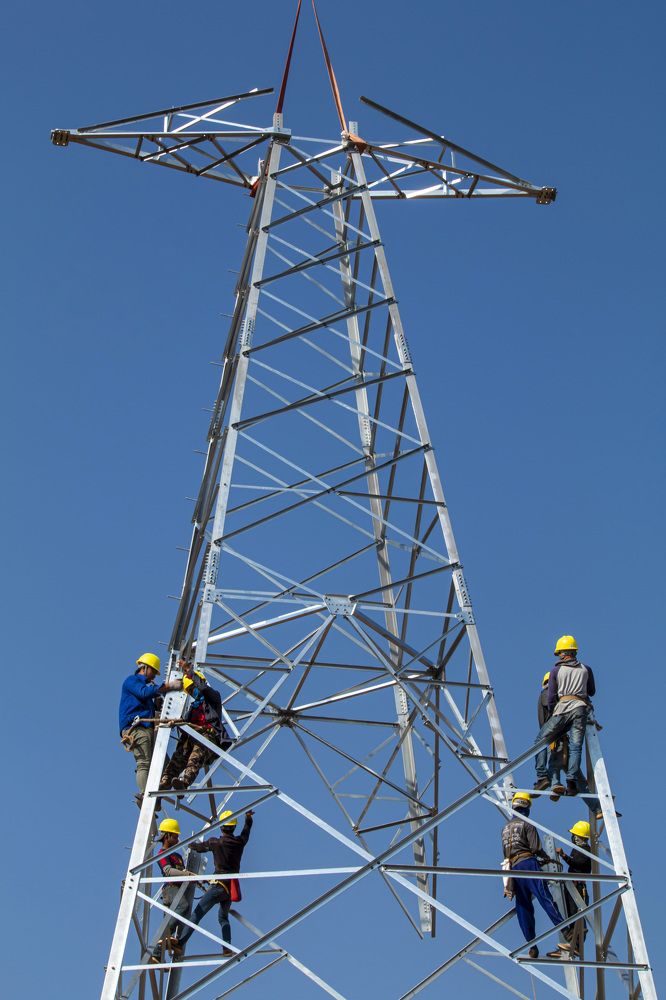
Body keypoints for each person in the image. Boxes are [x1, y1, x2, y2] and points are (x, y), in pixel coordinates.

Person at [502, 792, 572, 959]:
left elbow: (506, 853)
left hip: (513, 869)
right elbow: (534, 848)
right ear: (526, 806)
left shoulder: (505, 829)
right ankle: (565, 929)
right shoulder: (527, 824)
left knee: (523, 907)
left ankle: (531, 945)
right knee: (545, 897)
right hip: (528, 864)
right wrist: (545, 858)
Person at [178, 809, 254, 955]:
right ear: (233, 827)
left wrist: (189, 844)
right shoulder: (239, 843)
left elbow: (199, 848)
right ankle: (227, 947)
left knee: (197, 913)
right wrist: (248, 818)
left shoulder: (215, 842)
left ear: (221, 827)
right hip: (229, 889)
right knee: (223, 917)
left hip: (219, 886)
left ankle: (180, 943)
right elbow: (246, 833)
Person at [533, 635, 597, 800]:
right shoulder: (586, 669)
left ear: (563, 653)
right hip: (580, 710)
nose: (559, 656)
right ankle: (571, 780)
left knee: (540, 741)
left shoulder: (556, 671)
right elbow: (591, 691)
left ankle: (542, 777)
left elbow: (551, 697)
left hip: (562, 709)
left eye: (559, 653)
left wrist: (555, 715)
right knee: (576, 747)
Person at [119, 653, 181, 798]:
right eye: (153, 672)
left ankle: (159, 794)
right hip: (136, 727)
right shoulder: (132, 681)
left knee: (164, 763)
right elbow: (144, 693)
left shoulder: (144, 687)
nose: (153, 677)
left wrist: (156, 705)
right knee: (144, 763)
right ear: (144, 668)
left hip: (146, 727)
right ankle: (145, 795)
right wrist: (167, 687)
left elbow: (146, 701)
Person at [160, 670, 230, 791]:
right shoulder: (194, 707)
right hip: (191, 738)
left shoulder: (213, 699)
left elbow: (204, 689)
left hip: (207, 736)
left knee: (195, 757)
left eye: (193, 688)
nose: (193, 692)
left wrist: (192, 674)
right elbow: (184, 721)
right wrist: (175, 722)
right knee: (178, 757)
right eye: (190, 691)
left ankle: (184, 783)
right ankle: (165, 782)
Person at [151, 818, 198, 962]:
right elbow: (168, 871)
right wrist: (187, 874)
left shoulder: (177, 856)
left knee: (181, 918)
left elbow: (180, 871)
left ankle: (160, 954)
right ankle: (159, 944)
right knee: (183, 907)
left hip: (179, 889)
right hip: (171, 889)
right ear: (167, 836)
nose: (178, 839)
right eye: (175, 836)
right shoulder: (162, 854)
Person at [556, 820, 592, 945]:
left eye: (575, 835)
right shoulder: (577, 849)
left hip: (578, 887)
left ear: (579, 837)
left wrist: (564, 856)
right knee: (567, 911)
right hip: (571, 885)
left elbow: (579, 863)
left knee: (576, 912)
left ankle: (577, 941)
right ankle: (570, 939)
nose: (573, 838)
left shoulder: (586, 850)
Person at [534, 671, 569, 802]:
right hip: (552, 731)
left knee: (557, 760)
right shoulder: (546, 692)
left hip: (554, 733)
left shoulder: (547, 692)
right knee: (555, 760)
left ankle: (555, 785)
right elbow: (550, 706)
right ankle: (551, 782)